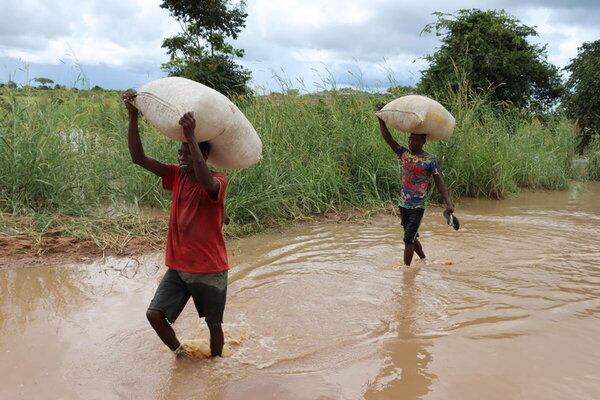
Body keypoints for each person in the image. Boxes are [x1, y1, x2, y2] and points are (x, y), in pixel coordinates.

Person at [123, 91, 229, 357]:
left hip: (209, 269)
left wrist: (191, 136)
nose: (181, 157)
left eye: (187, 154)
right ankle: (181, 355)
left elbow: (207, 184)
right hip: (179, 267)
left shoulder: (218, 180)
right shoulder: (176, 176)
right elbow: (139, 158)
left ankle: (217, 368)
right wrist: (133, 116)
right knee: (155, 315)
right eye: (179, 152)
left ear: (202, 157)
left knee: (214, 325)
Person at [376, 103, 454, 266]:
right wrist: (381, 119)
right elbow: (389, 139)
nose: (410, 141)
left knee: (407, 238)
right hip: (403, 204)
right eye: (410, 138)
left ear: (423, 141)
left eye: (414, 139)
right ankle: (424, 259)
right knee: (411, 235)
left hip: (417, 206)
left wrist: (448, 203)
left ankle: (407, 272)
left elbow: (439, 182)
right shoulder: (404, 154)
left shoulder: (430, 160)